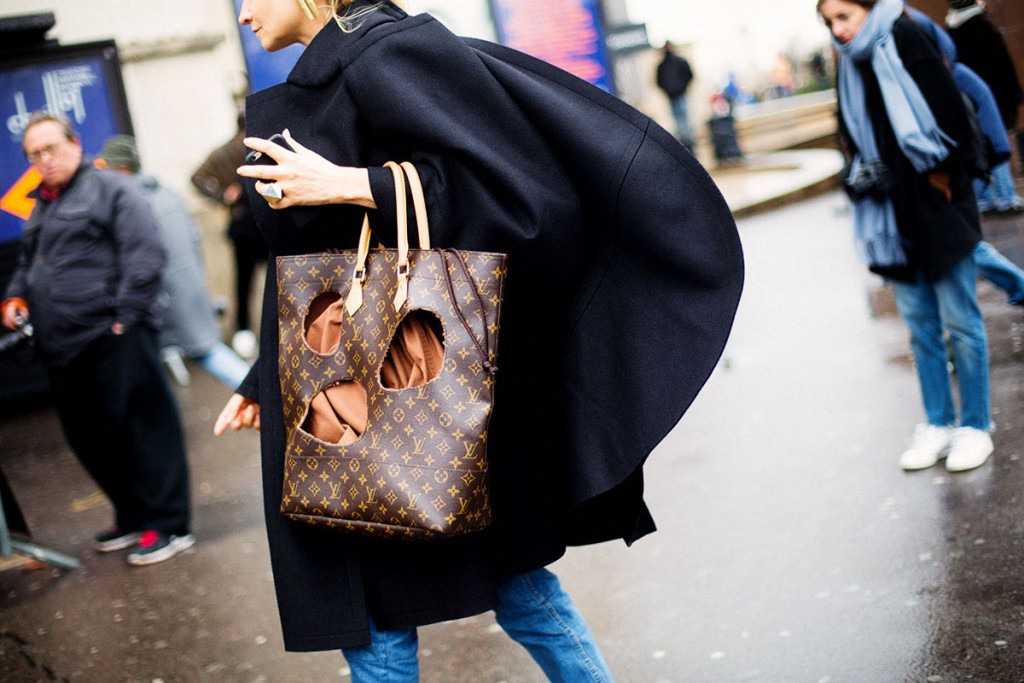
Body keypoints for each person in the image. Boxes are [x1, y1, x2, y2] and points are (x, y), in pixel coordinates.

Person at [214, 0, 743, 679]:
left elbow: (518, 194)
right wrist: (267, 378)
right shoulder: (329, 72)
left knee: (500, 590)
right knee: (396, 614)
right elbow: (333, 266)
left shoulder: (389, 51)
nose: (244, 13)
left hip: (430, 384)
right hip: (351, 386)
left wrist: (353, 185)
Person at [1, 112, 194, 566]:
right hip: (63, 347)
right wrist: (15, 298)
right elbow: (30, 265)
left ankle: (169, 525)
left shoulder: (112, 189)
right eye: (34, 154)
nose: (44, 160)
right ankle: (132, 515)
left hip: (115, 336)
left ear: (74, 144)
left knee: (147, 432)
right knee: (93, 438)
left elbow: (145, 254)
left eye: (50, 149)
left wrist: (125, 320)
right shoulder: (42, 204)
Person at [818, 0, 994, 472]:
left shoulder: (904, 34)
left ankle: (976, 426)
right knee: (920, 328)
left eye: (843, 17)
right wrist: (857, 177)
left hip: (935, 202)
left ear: (867, 8)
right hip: (889, 212)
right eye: (829, 22)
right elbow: (849, 136)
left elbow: (951, 114)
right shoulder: (848, 62)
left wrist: (942, 177)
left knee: (960, 321)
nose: (837, 29)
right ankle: (938, 422)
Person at [97, 135, 252, 388]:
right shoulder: (166, 193)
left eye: (107, 168)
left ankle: (265, 398)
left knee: (205, 355)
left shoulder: (130, 203)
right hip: (188, 290)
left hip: (164, 298)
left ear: (121, 168)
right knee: (206, 351)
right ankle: (263, 395)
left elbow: (141, 260)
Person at [905, 6, 1024, 305]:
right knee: (961, 244)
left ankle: (1016, 285)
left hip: (953, 167)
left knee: (962, 243)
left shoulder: (951, 73)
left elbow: (980, 114)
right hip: (953, 164)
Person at [191, 108, 267, 360]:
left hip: (240, 224)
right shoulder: (261, 147)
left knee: (243, 283)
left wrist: (222, 195)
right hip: (266, 221)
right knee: (281, 277)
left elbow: (197, 177)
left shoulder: (222, 152)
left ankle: (243, 331)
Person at [944, 0, 1024, 179]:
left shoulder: (952, 30)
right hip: (996, 92)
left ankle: (994, 193)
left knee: (984, 140)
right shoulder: (984, 26)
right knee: (1000, 138)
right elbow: (1003, 65)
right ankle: (1006, 193)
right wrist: (1015, 93)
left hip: (971, 95)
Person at [655, 41, 695, 149]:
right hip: (675, 96)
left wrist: (680, 88)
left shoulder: (664, 65)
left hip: (678, 95)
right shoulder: (667, 64)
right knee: (681, 120)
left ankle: (687, 143)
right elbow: (659, 81)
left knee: (682, 120)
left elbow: (689, 75)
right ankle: (687, 143)